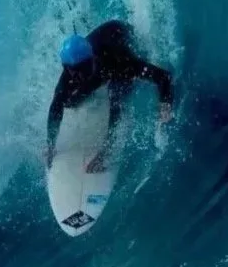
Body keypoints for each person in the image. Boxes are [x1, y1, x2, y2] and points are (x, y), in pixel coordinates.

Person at [45, 20, 174, 172]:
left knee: (117, 94)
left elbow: (164, 77)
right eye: (74, 72)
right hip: (99, 55)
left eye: (83, 70)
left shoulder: (119, 60)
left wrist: (165, 106)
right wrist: (51, 144)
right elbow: (56, 105)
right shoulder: (72, 70)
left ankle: (106, 152)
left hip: (119, 38)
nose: (78, 77)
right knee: (69, 102)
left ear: (92, 59)